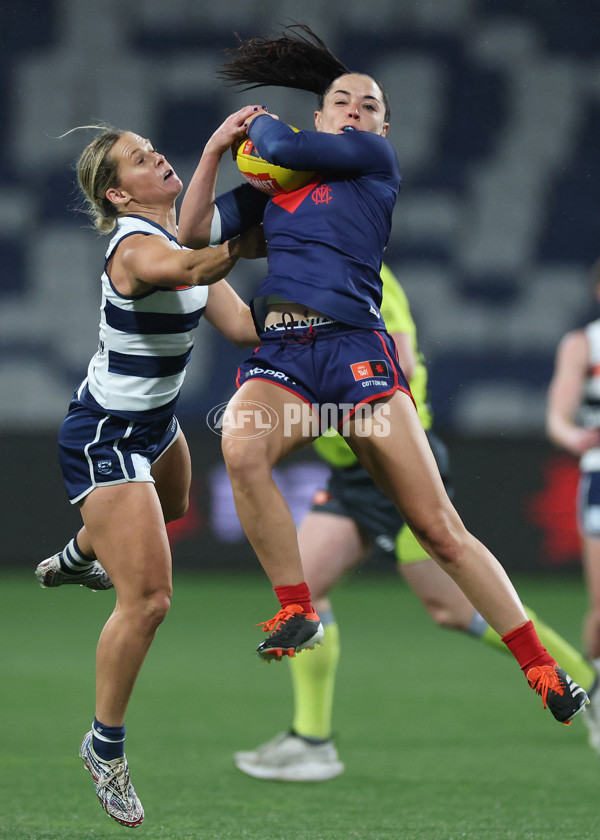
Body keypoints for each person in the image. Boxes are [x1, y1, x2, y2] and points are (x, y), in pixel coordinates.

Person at [178, 24, 588, 725]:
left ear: (380, 127)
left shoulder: (369, 161)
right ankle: (296, 610)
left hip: (354, 352)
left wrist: (260, 129)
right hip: (285, 356)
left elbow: (278, 145)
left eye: (368, 105)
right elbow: (191, 235)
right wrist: (217, 150)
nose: (356, 111)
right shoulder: (272, 193)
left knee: (439, 530)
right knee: (242, 449)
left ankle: (542, 668)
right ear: (322, 114)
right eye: (343, 101)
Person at [234, 263, 600, 780]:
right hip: (347, 471)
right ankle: (312, 740)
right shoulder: (299, 276)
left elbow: (397, 359)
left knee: (451, 608)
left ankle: (588, 683)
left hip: (393, 459)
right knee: (304, 594)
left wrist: (301, 410)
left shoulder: (363, 271)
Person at [34, 120, 266, 827]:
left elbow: (245, 329)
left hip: (155, 426)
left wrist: (318, 315)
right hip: (105, 433)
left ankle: (79, 554)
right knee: (150, 600)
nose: (153, 156)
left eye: (151, 147)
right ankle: (104, 747)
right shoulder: (135, 248)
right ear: (118, 192)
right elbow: (194, 272)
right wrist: (251, 217)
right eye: (139, 159)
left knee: (176, 505)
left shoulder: (182, 239)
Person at [546, 258, 600, 751]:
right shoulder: (584, 344)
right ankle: (599, 696)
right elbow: (558, 418)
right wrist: (578, 438)